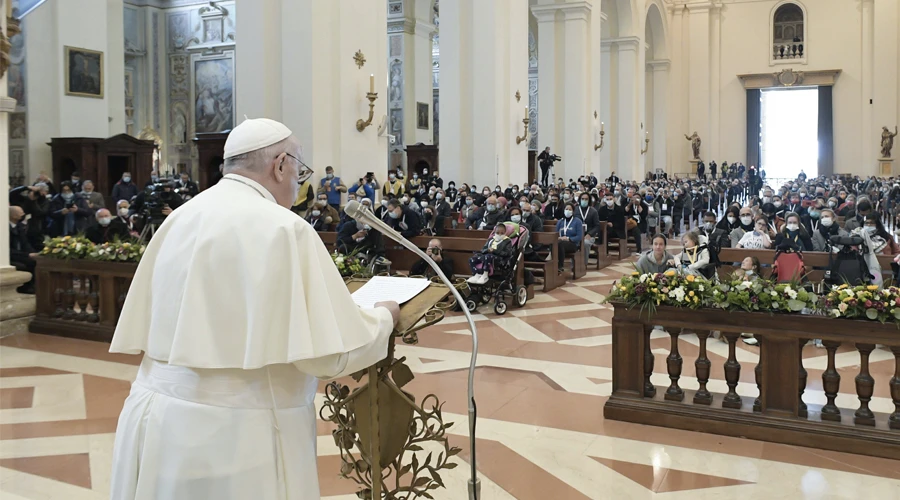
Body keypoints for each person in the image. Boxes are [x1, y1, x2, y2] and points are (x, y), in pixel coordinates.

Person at [108, 117, 401, 500]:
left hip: (156, 418)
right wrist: (383, 319)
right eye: (299, 168)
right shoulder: (284, 228)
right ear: (279, 165)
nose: (298, 180)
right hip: (238, 435)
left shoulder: (179, 218)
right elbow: (331, 354)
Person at [9, 206, 38, 294]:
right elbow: (8, 250)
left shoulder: (19, 227)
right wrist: (27, 255)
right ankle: (25, 287)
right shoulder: (4, 228)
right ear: (13, 216)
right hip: (11, 256)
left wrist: (33, 253)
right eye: (21, 213)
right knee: (25, 264)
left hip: (20, 253)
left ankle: (34, 286)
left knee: (36, 261)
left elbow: (25, 243)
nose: (23, 214)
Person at [555, 203, 584, 274]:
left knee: (560, 245)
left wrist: (568, 238)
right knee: (554, 244)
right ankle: (553, 265)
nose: (568, 211)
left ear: (573, 211)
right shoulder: (560, 221)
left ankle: (560, 266)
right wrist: (559, 238)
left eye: (570, 209)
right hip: (560, 242)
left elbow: (579, 236)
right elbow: (556, 234)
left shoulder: (577, 221)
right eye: (566, 209)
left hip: (572, 244)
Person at [575, 193, 601, 266]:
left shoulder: (593, 211)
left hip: (589, 235)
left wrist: (590, 234)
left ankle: (583, 264)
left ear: (589, 200)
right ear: (580, 200)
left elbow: (597, 226)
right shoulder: (575, 210)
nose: (584, 201)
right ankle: (574, 264)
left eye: (586, 199)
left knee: (585, 243)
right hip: (577, 234)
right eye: (582, 199)